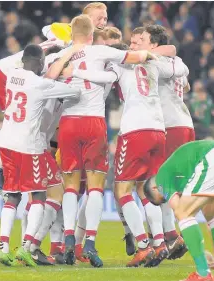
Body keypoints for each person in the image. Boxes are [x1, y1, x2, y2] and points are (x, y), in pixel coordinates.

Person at [66, 41, 188, 267]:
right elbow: (179, 68)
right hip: (158, 131)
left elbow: (106, 78)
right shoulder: (154, 64)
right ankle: (161, 241)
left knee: (122, 190)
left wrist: (75, 71)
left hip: (134, 131)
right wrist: (160, 55)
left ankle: (143, 245)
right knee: (146, 189)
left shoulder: (118, 65)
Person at [44, 14, 152, 267]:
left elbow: (49, 76)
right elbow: (136, 57)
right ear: (92, 35)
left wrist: (70, 59)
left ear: (72, 34)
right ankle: (89, 241)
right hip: (93, 122)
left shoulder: (60, 56)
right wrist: (152, 54)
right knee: (95, 186)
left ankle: (68, 238)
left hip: (68, 124)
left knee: (70, 186)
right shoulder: (101, 51)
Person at [0, 44, 82, 267]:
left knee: (12, 196)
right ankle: (27, 247)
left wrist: (47, 45)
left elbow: (3, 66)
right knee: (39, 195)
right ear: (41, 63)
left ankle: (3, 248)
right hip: (29, 146)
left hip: (6, 144)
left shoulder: (13, 75)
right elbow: (76, 92)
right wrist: (68, 77)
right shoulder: (41, 84)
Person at [143, 140, 214, 281]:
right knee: (211, 211)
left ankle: (202, 274)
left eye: (162, 198)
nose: (166, 199)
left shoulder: (161, 177)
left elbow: (180, 210)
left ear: (155, 188)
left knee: (183, 213)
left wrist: (198, 252)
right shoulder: (180, 171)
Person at [136, 25, 193, 261]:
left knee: (158, 184)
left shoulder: (157, 61)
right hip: (184, 123)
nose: (143, 45)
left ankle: (169, 236)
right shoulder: (176, 61)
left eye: (146, 41)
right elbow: (187, 86)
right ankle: (170, 235)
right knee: (171, 185)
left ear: (155, 44)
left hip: (169, 126)